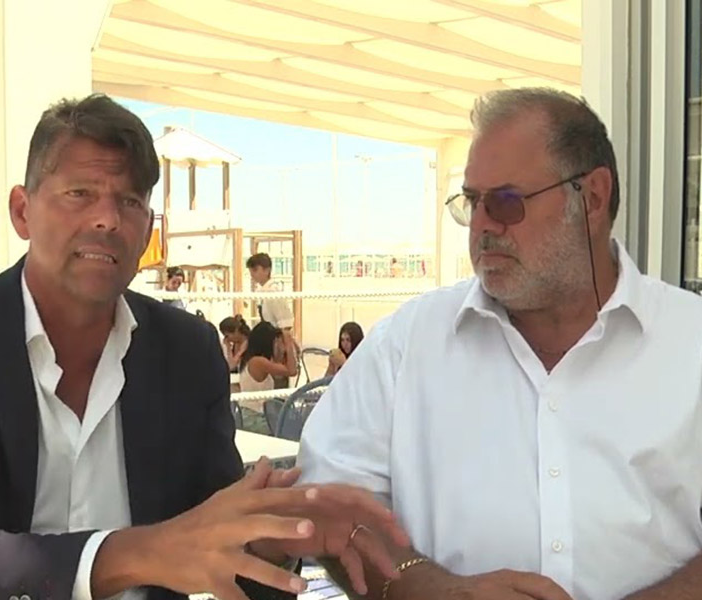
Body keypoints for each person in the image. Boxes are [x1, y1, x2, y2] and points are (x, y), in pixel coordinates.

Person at [0, 94, 411, 600]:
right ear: (22, 211)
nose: (107, 219)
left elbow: (218, 548)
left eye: (129, 201)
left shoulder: (187, 351)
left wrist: (275, 536)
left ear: (147, 228)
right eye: (80, 193)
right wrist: (149, 550)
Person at [297, 87, 702, 600]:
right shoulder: (406, 345)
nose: (483, 226)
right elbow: (332, 504)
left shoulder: (691, 343)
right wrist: (426, 588)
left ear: (592, 197)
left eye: (506, 202)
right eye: (472, 202)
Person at [239, 322, 297, 393]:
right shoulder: (258, 361)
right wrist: (288, 343)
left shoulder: (253, 359)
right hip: (256, 400)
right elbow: (292, 371)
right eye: (276, 342)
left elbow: (285, 365)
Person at [247, 253, 294, 331]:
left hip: (276, 335)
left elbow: (285, 322)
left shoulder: (274, 292)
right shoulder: (261, 291)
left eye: (255, 270)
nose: (252, 274)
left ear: (267, 270)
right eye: (250, 271)